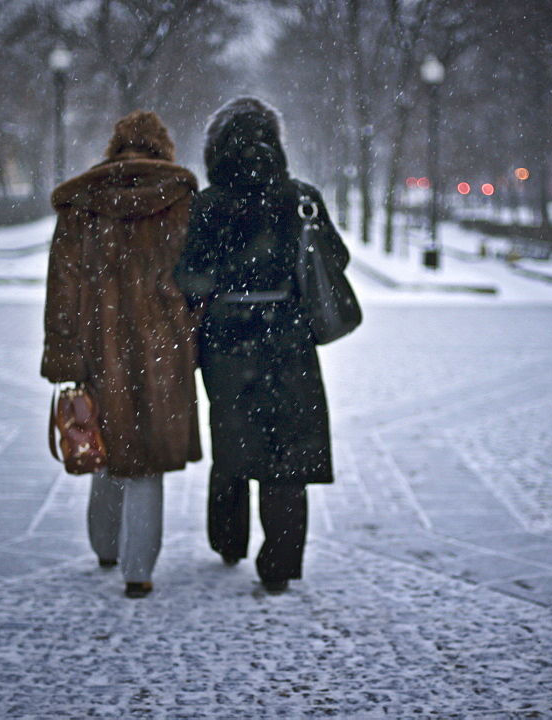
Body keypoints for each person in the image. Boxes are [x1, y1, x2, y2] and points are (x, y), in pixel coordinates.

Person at [174, 97, 346, 594]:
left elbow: (188, 277)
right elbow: (337, 258)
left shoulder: (206, 206)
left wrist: (223, 282)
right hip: (288, 333)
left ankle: (228, 540)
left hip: (226, 338)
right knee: (287, 451)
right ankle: (279, 564)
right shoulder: (302, 199)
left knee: (233, 441)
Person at [41, 111, 202, 598]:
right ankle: (139, 570)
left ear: (115, 146)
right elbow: (197, 281)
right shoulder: (180, 200)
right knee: (147, 459)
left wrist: (65, 353)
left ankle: (105, 547)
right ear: (163, 148)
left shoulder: (82, 204)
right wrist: (187, 329)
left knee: (107, 445)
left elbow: (62, 287)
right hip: (163, 349)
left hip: (97, 345)